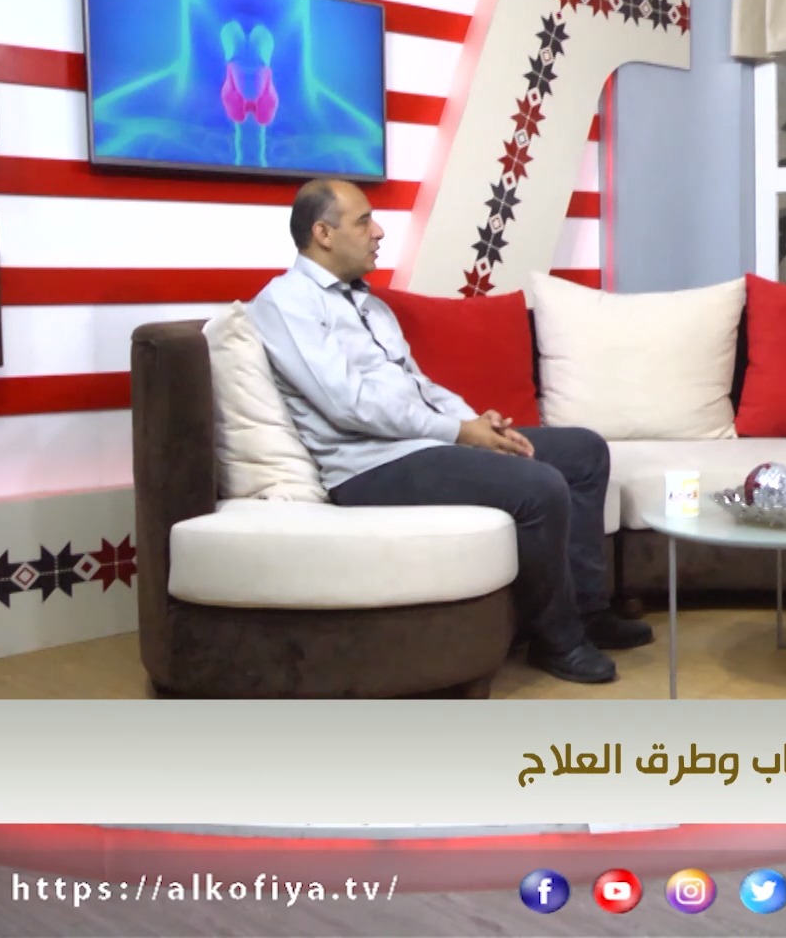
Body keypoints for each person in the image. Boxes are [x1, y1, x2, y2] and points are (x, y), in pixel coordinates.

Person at [249, 179, 650, 685]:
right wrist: (457, 432)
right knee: (538, 485)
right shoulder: (286, 303)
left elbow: (419, 385)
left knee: (583, 452)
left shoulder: (370, 305)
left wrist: (475, 422)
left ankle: (589, 611)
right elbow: (348, 405)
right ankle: (557, 638)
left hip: (425, 443)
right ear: (323, 234)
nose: (378, 231)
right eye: (364, 221)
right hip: (370, 466)